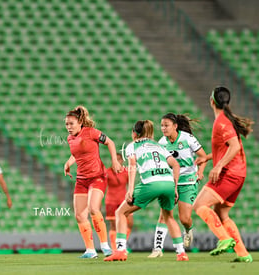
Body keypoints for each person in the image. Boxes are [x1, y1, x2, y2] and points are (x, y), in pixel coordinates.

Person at [104, 120, 189, 262]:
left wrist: (130, 190)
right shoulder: (159, 145)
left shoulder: (133, 146)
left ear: (135, 133)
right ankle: (181, 253)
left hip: (151, 182)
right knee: (168, 217)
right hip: (168, 182)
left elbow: (132, 165)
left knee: (120, 212)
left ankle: (120, 250)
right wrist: (174, 188)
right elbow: (175, 165)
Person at [193, 86, 254, 263]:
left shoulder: (221, 122)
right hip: (239, 173)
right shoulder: (225, 119)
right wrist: (208, 158)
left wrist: (218, 166)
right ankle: (243, 253)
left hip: (230, 174)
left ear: (212, 101)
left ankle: (224, 238)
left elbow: (234, 147)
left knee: (199, 205)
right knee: (221, 213)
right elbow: (227, 148)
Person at [64, 105, 121, 259]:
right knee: (79, 215)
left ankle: (105, 246)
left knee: (93, 208)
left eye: (71, 123)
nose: (68, 127)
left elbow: (110, 142)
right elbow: (77, 154)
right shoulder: (70, 138)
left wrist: (114, 161)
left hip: (97, 176)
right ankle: (90, 250)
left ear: (80, 122)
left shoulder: (91, 132)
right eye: (66, 124)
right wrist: (68, 163)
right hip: (81, 179)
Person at [148, 113, 207, 258]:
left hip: (188, 182)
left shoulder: (187, 138)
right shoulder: (162, 143)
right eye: (162, 125)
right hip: (170, 182)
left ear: (175, 126)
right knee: (164, 214)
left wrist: (200, 171)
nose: (163, 128)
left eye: (166, 125)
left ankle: (188, 229)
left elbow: (203, 156)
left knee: (184, 218)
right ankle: (157, 249)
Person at [105, 151, 133, 251]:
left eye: (118, 159)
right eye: (114, 159)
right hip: (111, 201)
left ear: (121, 160)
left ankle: (122, 244)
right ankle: (115, 248)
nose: (116, 161)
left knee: (130, 223)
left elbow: (130, 185)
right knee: (113, 225)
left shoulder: (126, 172)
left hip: (123, 200)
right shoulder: (107, 172)